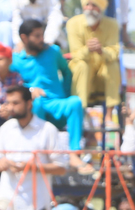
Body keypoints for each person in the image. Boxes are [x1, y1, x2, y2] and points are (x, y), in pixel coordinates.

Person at [0, 85, 66, 210]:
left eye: (15, 103)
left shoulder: (47, 130)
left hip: (34, 203)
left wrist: (33, 167)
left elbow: (61, 168)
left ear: (29, 104)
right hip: (6, 201)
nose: (11, 108)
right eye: (8, 103)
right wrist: (3, 163)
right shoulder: (5, 129)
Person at [11, 19, 85, 153]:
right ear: (24, 38)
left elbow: (66, 72)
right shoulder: (16, 60)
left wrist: (65, 94)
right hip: (36, 106)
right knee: (36, 103)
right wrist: (30, 90)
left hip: (57, 104)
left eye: (42, 35)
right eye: (37, 36)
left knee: (75, 102)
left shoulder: (53, 51)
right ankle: (39, 152)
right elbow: (14, 84)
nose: (42, 39)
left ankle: (75, 152)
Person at [67, 0, 120, 112]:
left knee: (113, 66)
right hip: (81, 71)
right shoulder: (73, 23)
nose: (90, 9)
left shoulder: (112, 25)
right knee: (82, 65)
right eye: (87, 5)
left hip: (102, 72)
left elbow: (114, 52)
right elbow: (75, 54)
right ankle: (80, 111)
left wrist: (101, 50)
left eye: (94, 5)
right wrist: (88, 49)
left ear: (101, 8)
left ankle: (109, 114)